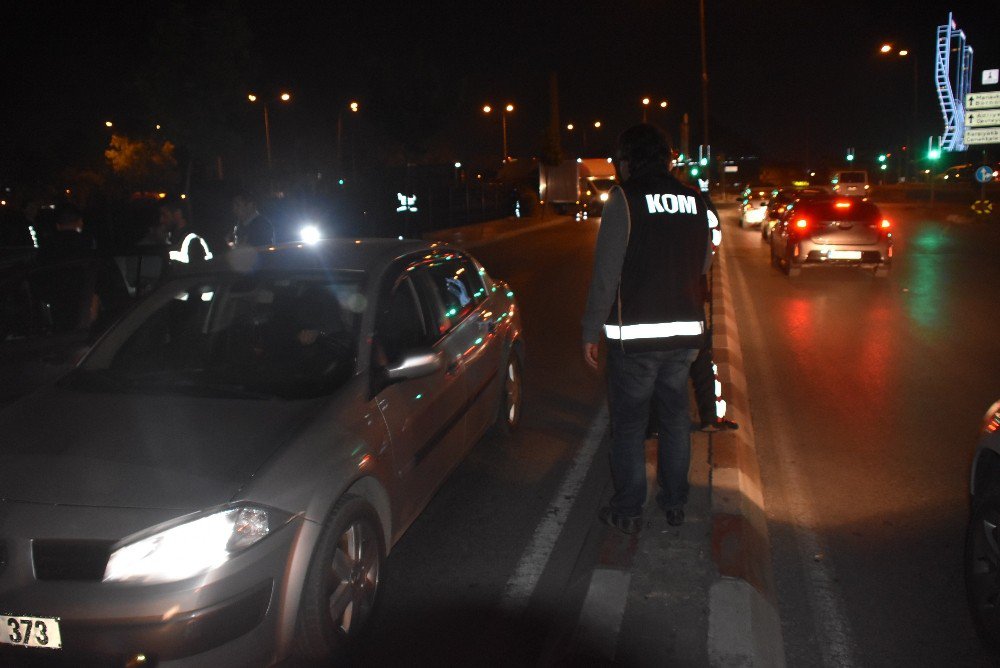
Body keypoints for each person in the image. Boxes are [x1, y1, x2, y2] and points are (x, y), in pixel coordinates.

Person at [581, 123, 713, 534]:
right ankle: (674, 503)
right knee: (676, 419)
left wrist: (590, 331)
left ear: (628, 161)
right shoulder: (696, 200)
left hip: (636, 340)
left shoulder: (624, 200)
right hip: (686, 336)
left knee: (630, 425)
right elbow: (705, 263)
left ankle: (628, 507)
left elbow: (606, 274)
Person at [160, 198, 212, 265]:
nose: (161, 220)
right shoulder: (171, 239)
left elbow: (197, 271)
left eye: (164, 215)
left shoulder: (193, 240)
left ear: (177, 214)